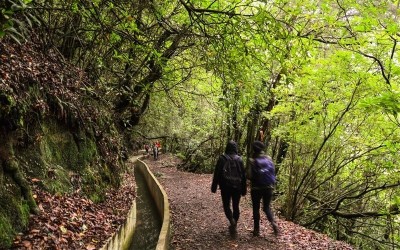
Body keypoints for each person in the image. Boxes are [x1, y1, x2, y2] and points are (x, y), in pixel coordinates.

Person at [211, 140, 246, 235]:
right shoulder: (239, 159)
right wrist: (244, 189)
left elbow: (217, 174)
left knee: (226, 206)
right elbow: (243, 175)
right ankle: (234, 223)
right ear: (235, 148)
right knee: (236, 206)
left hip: (225, 186)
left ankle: (231, 220)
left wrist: (214, 187)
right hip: (237, 187)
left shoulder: (222, 158)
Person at [247, 140, 279, 237]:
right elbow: (273, 172)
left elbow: (249, 175)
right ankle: (273, 222)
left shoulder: (252, 161)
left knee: (256, 208)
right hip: (268, 187)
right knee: (266, 207)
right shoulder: (269, 158)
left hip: (256, 188)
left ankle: (256, 230)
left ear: (254, 150)